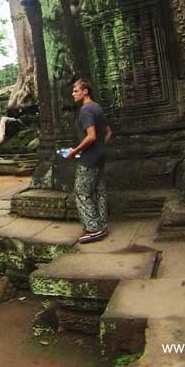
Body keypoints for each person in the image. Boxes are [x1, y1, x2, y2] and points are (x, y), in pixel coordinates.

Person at [65, 78, 113, 244]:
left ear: (85, 91)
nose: (73, 94)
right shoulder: (97, 107)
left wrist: (74, 152)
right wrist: (100, 147)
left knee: (82, 192)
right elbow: (108, 132)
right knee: (99, 190)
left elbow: (91, 136)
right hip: (100, 156)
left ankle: (93, 229)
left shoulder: (85, 110)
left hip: (89, 158)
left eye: (76, 90)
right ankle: (102, 224)